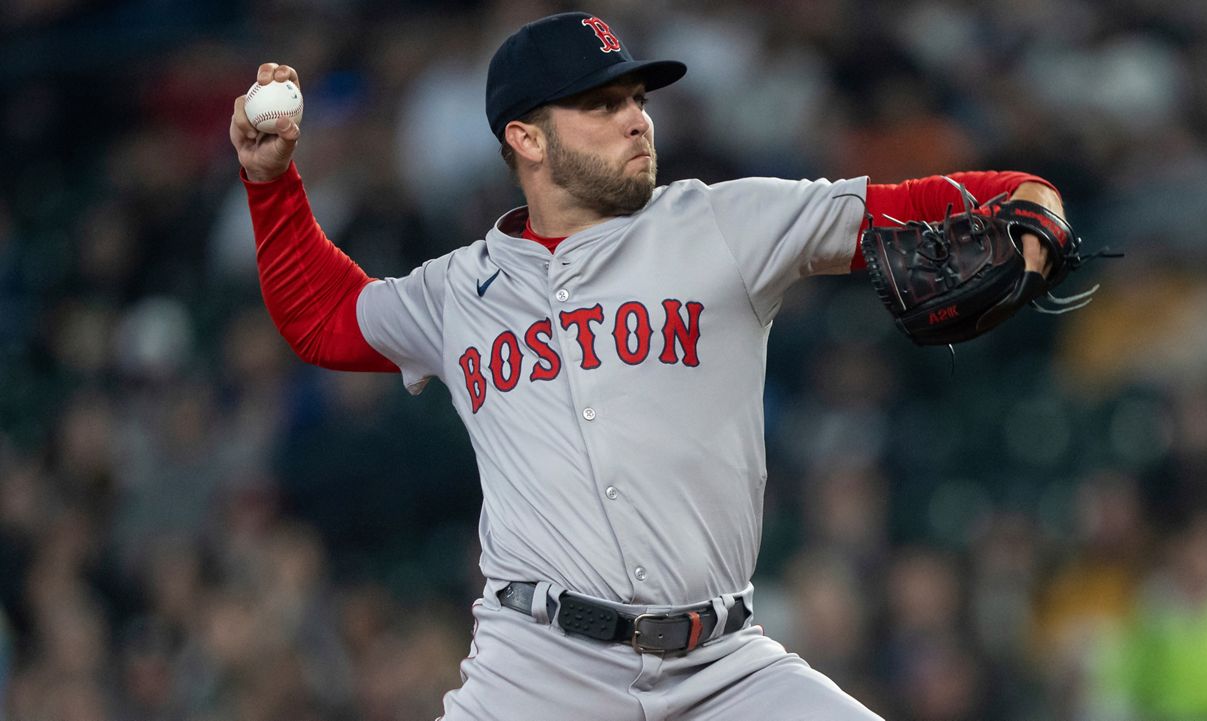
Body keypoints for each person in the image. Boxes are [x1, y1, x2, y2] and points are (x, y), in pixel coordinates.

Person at [229, 11, 1059, 720]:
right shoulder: (458, 291)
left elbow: (926, 201)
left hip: (723, 665)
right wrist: (271, 186)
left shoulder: (726, 223)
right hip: (537, 672)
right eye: (601, 104)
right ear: (526, 137)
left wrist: (1032, 197)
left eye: (636, 98)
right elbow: (325, 316)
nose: (636, 118)